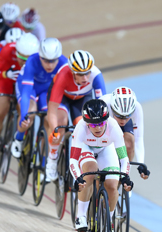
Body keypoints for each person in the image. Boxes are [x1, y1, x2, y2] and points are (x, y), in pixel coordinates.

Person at [69, 99, 133, 232]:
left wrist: (125, 178)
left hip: (106, 149)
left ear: (106, 120)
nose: (97, 128)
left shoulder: (114, 127)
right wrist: (78, 178)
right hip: (87, 148)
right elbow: (73, 160)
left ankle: (108, 222)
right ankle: (81, 216)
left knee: (112, 184)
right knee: (90, 173)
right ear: (86, 123)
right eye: (92, 124)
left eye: (101, 124)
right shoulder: (80, 128)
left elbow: (124, 159)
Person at [46, 50, 106, 182]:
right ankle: (52, 158)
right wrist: (55, 130)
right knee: (60, 124)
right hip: (62, 98)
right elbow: (52, 111)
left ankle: (82, 159)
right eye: (80, 74)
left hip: (82, 99)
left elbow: (103, 105)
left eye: (87, 73)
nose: (85, 78)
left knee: (84, 127)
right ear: (72, 72)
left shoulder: (96, 75)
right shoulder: (63, 75)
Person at [10, 38, 68, 167]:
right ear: (40, 56)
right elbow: (26, 94)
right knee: (29, 113)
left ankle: (44, 162)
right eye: (46, 61)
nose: (50, 65)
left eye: (53, 61)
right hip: (28, 88)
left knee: (50, 119)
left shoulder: (65, 63)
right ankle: (18, 139)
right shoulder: (32, 61)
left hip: (46, 90)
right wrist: (25, 115)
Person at [0, 33, 39, 165]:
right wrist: (5, 74)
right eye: (21, 58)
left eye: (28, 59)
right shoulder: (8, 49)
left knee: (26, 111)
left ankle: (22, 139)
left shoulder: (39, 58)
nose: (23, 62)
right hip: (6, 80)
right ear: (16, 51)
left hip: (25, 83)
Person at [99, 86, 149, 180]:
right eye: (119, 116)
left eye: (127, 116)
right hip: (107, 122)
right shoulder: (104, 104)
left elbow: (138, 138)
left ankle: (125, 176)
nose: (123, 120)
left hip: (116, 120)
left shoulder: (137, 107)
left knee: (129, 143)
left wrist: (141, 163)